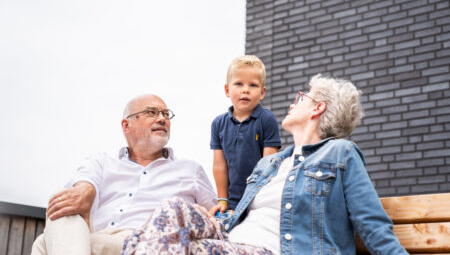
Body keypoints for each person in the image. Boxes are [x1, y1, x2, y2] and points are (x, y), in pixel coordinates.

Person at [121, 74, 408, 254]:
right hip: (229, 241)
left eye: (302, 97)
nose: (294, 102)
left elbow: (372, 224)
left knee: (145, 244)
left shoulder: (341, 154)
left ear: (318, 108)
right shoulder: (270, 164)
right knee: (169, 213)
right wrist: (214, 217)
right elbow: (245, 216)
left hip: (273, 250)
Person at [31, 94, 217, 255]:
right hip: (95, 238)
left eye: (166, 114)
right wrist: (84, 191)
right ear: (127, 125)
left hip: (149, 243)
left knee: (43, 243)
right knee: (61, 201)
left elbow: (217, 216)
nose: (162, 118)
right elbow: (84, 182)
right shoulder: (102, 162)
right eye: (151, 112)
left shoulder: (190, 170)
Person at [210, 55, 281, 214]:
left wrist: (257, 200)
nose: (245, 90)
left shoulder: (266, 120)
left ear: (262, 93)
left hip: (260, 200)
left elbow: (269, 164)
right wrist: (223, 200)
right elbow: (219, 165)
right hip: (232, 202)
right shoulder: (218, 124)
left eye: (253, 85)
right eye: (239, 84)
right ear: (227, 90)